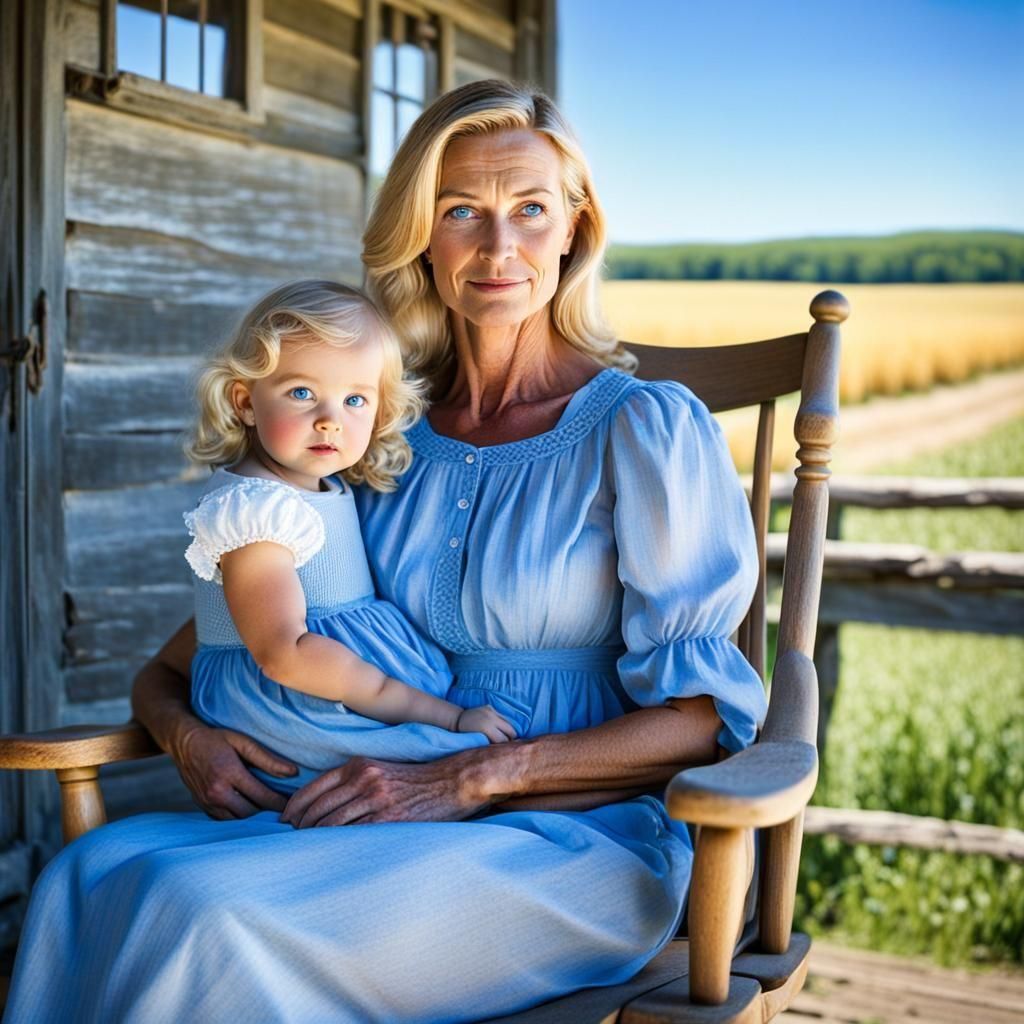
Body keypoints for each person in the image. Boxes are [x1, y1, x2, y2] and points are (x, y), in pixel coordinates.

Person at [2, 80, 768, 1024]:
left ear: (574, 227)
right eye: (461, 213)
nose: (499, 248)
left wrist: (472, 774)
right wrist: (184, 733)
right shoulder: (372, 438)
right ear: (422, 237)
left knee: (214, 920)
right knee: (93, 873)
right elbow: (192, 655)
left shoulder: (645, 430)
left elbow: (703, 720)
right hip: (378, 806)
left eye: (531, 209)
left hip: (577, 836)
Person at [182, 280, 514, 791]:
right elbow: (284, 654)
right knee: (460, 763)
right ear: (245, 402)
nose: (329, 421)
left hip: (335, 691)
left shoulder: (318, 487)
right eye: (301, 393)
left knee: (478, 774)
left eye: (355, 399)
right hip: (300, 707)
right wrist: (433, 712)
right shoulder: (253, 511)